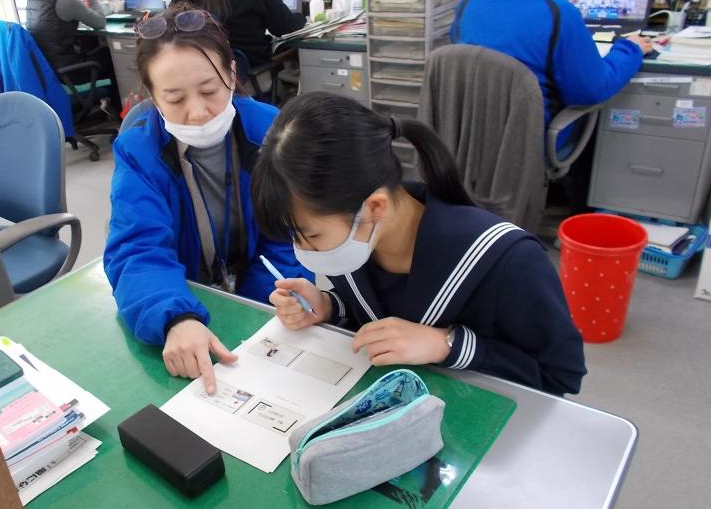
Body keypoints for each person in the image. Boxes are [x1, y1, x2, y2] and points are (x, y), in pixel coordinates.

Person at [250, 92, 587, 396]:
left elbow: (561, 375)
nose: (303, 250)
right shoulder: (360, 238)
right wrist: (329, 306)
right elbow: (373, 317)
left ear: (375, 207)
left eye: (311, 236)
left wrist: (446, 344)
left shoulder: (509, 260)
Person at [104, 3, 312, 393]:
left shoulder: (272, 132)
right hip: (183, 293)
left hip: (260, 302)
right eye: (175, 99)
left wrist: (267, 302)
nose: (198, 112)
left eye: (209, 91)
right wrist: (175, 317)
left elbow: (291, 235)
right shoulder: (138, 152)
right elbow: (137, 250)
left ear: (231, 74)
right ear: (152, 96)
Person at [450, 0, 652, 130]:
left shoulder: (468, 4)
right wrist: (629, 49)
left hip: (468, 135)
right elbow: (591, 91)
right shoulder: (559, 12)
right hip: (529, 141)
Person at [172, 0, 306, 68]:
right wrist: (302, 18)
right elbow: (283, 27)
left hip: (203, 73)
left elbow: (171, 25)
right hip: (251, 74)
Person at [26, 0, 117, 106]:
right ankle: (118, 110)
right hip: (70, 74)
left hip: (49, 72)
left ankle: (105, 107)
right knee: (110, 56)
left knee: (93, 48)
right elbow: (100, 22)